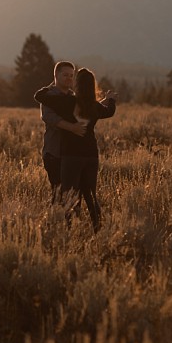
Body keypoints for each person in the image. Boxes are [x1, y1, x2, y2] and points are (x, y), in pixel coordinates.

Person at [35, 67, 117, 231]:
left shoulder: (68, 102)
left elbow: (40, 97)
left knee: (69, 195)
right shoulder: (94, 107)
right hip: (91, 155)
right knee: (90, 194)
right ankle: (98, 228)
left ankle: (70, 229)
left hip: (71, 156)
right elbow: (108, 112)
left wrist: (50, 85)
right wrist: (110, 100)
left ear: (76, 84)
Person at [38, 61, 87, 204]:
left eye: (71, 76)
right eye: (65, 75)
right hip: (54, 153)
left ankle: (71, 224)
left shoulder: (73, 97)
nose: (69, 79)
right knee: (58, 193)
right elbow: (48, 117)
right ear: (56, 75)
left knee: (74, 194)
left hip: (72, 154)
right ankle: (55, 222)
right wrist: (73, 128)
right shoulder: (48, 95)